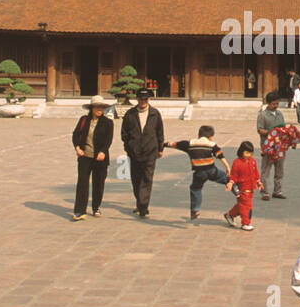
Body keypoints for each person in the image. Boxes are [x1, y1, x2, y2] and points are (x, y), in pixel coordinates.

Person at [163, 124, 231, 220]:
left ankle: (195, 210)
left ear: (198, 135)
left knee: (195, 189)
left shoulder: (189, 144)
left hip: (199, 172)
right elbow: (220, 156)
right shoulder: (211, 144)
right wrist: (227, 167)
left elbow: (174, 144)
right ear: (210, 137)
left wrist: (164, 145)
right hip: (211, 170)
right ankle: (235, 188)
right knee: (225, 178)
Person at [120, 87, 164, 217]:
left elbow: (160, 132)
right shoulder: (130, 114)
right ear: (137, 99)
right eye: (140, 99)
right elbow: (124, 133)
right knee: (136, 179)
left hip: (150, 151)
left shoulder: (155, 113)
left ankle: (143, 207)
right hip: (134, 152)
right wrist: (129, 147)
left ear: (149, 99)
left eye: (145, 99)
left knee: (147, 178)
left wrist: (160, 148)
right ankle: (140, 202)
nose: (143, 101)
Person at [71, 95, 114, 220]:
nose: (99, 109)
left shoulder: (108, 123)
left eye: (101, 107)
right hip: (85, 156)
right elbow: (75, 135)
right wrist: (77, 148)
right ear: (92, 108)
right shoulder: (84, 120)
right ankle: (80, 211)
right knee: (82, 183)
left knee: (98, 183)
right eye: (97, 107)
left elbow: (108, 140)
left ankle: (96, 207)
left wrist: (103, 151)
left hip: (100, 158)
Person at [223, 140, 263, 230]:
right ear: (241, 152)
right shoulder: (237, 162)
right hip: (242, 189)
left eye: (251, 153)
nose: (249, 155)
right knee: (247, 206)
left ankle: (230, 215)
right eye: (247, 153)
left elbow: (255, 173)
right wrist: (230, 183)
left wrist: (258, 181)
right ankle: (245, 223)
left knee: (242, 205)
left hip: (251, 187)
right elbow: (233, 175)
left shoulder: (253, 161)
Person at [256, 90, 287, 201]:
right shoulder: (262, 115)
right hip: (268, 147)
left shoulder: (280, 114)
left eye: (277, 104)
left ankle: (277, 191)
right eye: (273, 104)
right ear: (268, 103)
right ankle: (264, 192)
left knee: (279, 170)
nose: (275, 106)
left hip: (280, 147)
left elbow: (284, 127)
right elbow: (260, 130)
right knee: (266, 170)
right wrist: (271, 132)